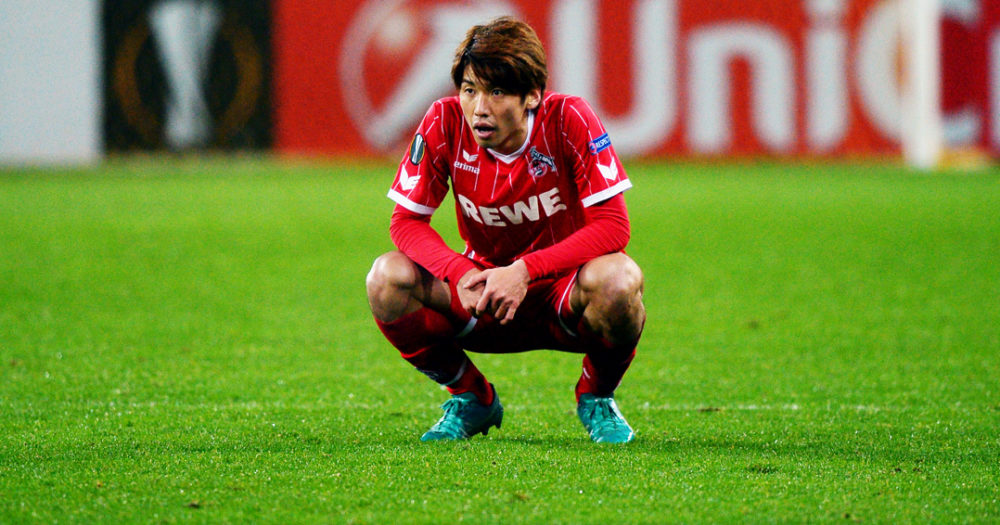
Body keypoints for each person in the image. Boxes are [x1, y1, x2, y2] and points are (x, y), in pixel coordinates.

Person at [365, 16, 645, 444]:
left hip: (562, 296)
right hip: (481, 295)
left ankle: (596, 397)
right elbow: (405, 221)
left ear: (532, 94)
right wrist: (459, 273)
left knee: (620, 280)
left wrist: (525, 271)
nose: (479, 108)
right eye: (469, 89)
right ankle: (471, 396)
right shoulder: (444, 121)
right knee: (386, 279)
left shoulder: (569, 118)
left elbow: (613, 225)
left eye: (496, 91)